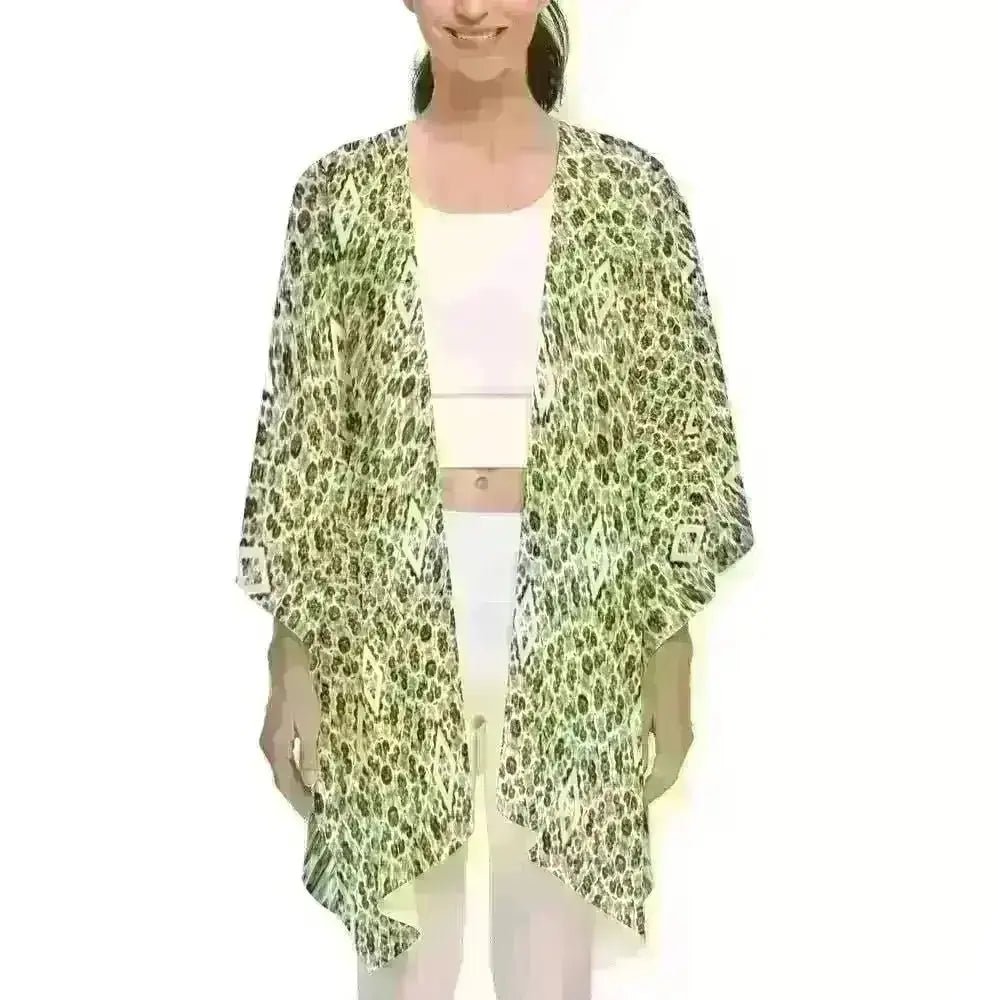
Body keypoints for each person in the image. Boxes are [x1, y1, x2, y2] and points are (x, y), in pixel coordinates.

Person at [236, 1, 754, 997]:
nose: (473, 9)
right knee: (403, 963)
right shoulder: (340, 197)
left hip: (582, 613)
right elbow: (303, 441)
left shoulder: (630, 197)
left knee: (548, 959)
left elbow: (679, 436)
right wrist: (289, 656)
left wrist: (671, 648)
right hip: (382, 619)